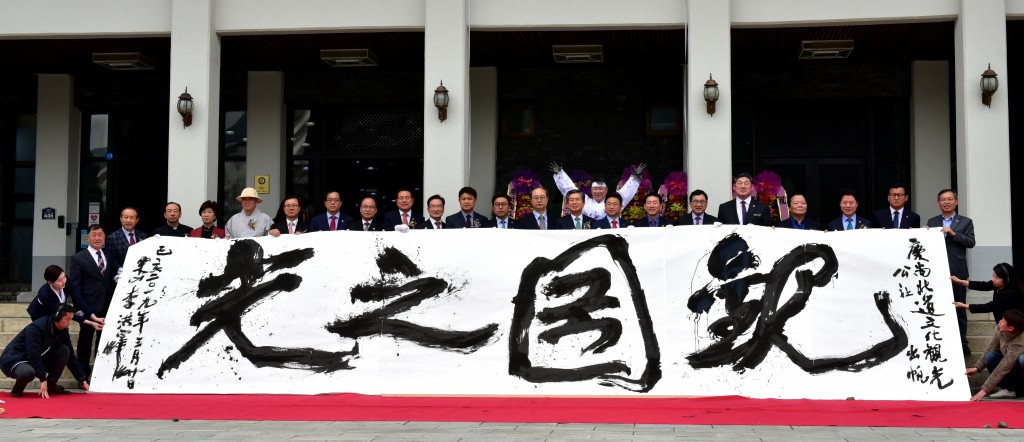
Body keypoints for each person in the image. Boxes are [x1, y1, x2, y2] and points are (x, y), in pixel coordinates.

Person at [0, 305, 89, 397]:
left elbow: (71, 357)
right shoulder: (36, 328)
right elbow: (33, 354)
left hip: (37, 356)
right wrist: (43, 379)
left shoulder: (63, 330)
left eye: (71, 319)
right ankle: (18, 388)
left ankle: (51, 384)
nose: (69, 322)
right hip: (14, 359)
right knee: (28, 373)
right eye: (67, 319)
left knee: (65, 350)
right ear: (57, 317)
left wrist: (82, 380)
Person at [928, 188, 976, 354]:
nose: (946, 202)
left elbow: (971, 242)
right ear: (938, 203)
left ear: (956, 201)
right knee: (939, 308)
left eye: (950, 199)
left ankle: (962, 344)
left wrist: (953, 233)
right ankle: (943, 343)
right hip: (936, 272)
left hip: (957, 271)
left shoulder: (965, 221)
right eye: (943, 199)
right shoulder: (932, 222)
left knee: (959, 309)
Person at [69, 224, 118, 378]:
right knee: (85, 341)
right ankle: (83, 376)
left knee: (103, 341)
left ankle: (101, 375)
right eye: (94, 235)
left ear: (104, 238)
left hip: (107, 306)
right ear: (88, 237)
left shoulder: (108, 255)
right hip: (87, 307)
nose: (97, 238)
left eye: (100, 235)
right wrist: (79, 309)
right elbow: (75, 286)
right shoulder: (78, 258)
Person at [549, 162, 647, 220]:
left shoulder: (614, 201)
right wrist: (560, 174)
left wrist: (635, 176)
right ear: (591, 190)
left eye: (601, 189)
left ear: (606, 190)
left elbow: (627, 191)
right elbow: (570, 190)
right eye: (595, 189)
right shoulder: (584, 201)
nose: (598, 191)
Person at [965, 309, 1024, 400]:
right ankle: (1008, 389)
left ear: (1010, 328)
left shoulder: (1020, 341)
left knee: (1022, 358)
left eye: (1003, 320)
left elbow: (1005, 365)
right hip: (1012, 366)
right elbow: (991, 347)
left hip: (1018, 369)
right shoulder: (1000, 328)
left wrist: (985, 390)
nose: (1000, 321)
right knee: (990, 356)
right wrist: (977, 368)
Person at [28, 265, 104, 332]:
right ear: (50, 282)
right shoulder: (45, 294)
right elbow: (65, 312)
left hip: (60, 311)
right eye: (60, 280)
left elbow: (78, 299)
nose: (63, 282)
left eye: (64, 277)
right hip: (41, 314)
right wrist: (90, 323)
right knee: (48, 334)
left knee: (62, 333)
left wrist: (94, 317)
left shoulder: (65, 280)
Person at [952, 263, 1024, 324]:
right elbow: (982, 285)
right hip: (1002, 323)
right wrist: (960, 281)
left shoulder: (1010, 293)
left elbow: (989, 306)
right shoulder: (999, 284)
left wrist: (964, 306)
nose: (993, 279)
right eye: (993, 276)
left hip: (1011, 325)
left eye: (996, 277)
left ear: (1006, 279)